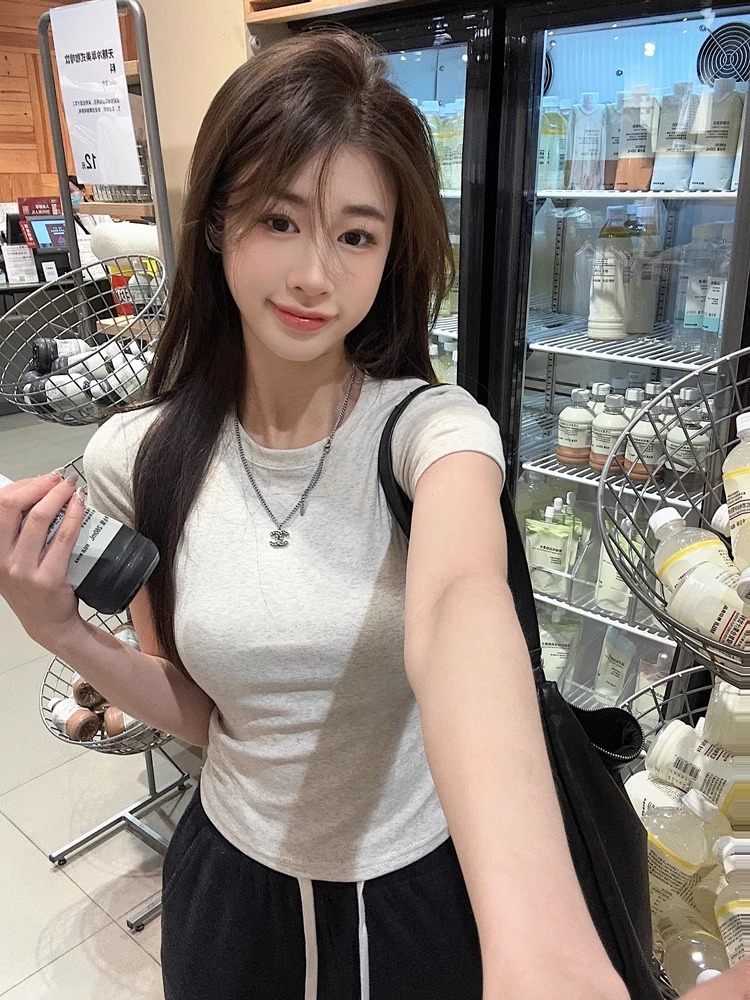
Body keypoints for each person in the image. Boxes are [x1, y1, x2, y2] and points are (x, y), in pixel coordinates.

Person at [0, 30, 746, 1000]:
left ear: (392, 253)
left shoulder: (434, 433)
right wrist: (59, 629)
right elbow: (205, 711)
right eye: (280, 220)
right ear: (218, 222)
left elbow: (460, 609)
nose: (316, 274)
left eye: (356, 234)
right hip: (230, 895)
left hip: (419, 901)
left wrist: (541, 941)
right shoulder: (138, 457)